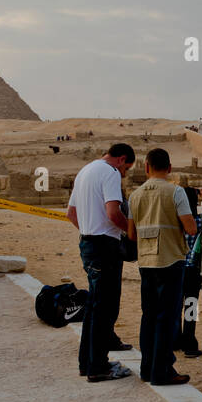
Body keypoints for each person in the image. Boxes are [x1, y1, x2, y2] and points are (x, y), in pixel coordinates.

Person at [67, 143, 135, 381]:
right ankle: (99, 367)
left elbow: (71, 213)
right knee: (105, 309)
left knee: (94, 307)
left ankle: (87, 363)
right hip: (105, 247)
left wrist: (89, 230)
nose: (124, 174)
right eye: (127, 169)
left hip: (88, 244)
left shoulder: (85, 170)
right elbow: (113, 213)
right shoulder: (110, 172)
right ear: (122, 159)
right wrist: (131, 233)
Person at [129, 148, 197, 386]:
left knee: (148, 316)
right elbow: (190, 228)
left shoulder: (135, 195)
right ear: (169, 168)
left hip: (146, 262)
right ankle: (163, 371)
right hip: (170, 260)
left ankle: (147, 368)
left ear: (146, 167)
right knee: (166, 319)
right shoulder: (176, 192)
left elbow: (130, 233)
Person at [178, 183, 202, 359]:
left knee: (176, 305)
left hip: (176, 268)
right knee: (191, 305)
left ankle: (175, 339)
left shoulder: (175, 220)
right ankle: (189, 342)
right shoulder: (200, 220)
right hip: (193, 270)